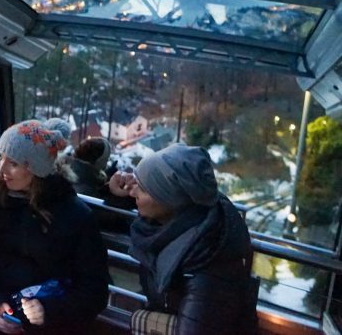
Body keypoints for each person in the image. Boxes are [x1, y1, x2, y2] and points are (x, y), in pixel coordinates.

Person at [0, 119, 110, 334]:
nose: (1, 168)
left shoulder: (75, 217)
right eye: (0, 157)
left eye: (14, 163)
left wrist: (49, 311)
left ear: (37, 169)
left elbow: (94, 289)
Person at [108, 143, 258, 335]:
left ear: (169, 200)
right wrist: (118, 194)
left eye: (143, 189)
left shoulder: (207, 270)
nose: (133, 192)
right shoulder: (194, 218)